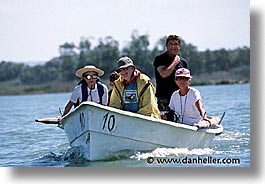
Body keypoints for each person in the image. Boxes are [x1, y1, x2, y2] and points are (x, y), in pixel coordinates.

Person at [153, 35, 189, 112]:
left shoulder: (183, 62)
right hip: (165, 98)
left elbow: (186, 81)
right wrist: (175, 62)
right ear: (166, 46)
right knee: (166, 120)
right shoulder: (160, 59)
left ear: (179, 46)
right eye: (171, 44)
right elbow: (164, 74)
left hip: (180, 97)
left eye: (176, 44)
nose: (173, 46)